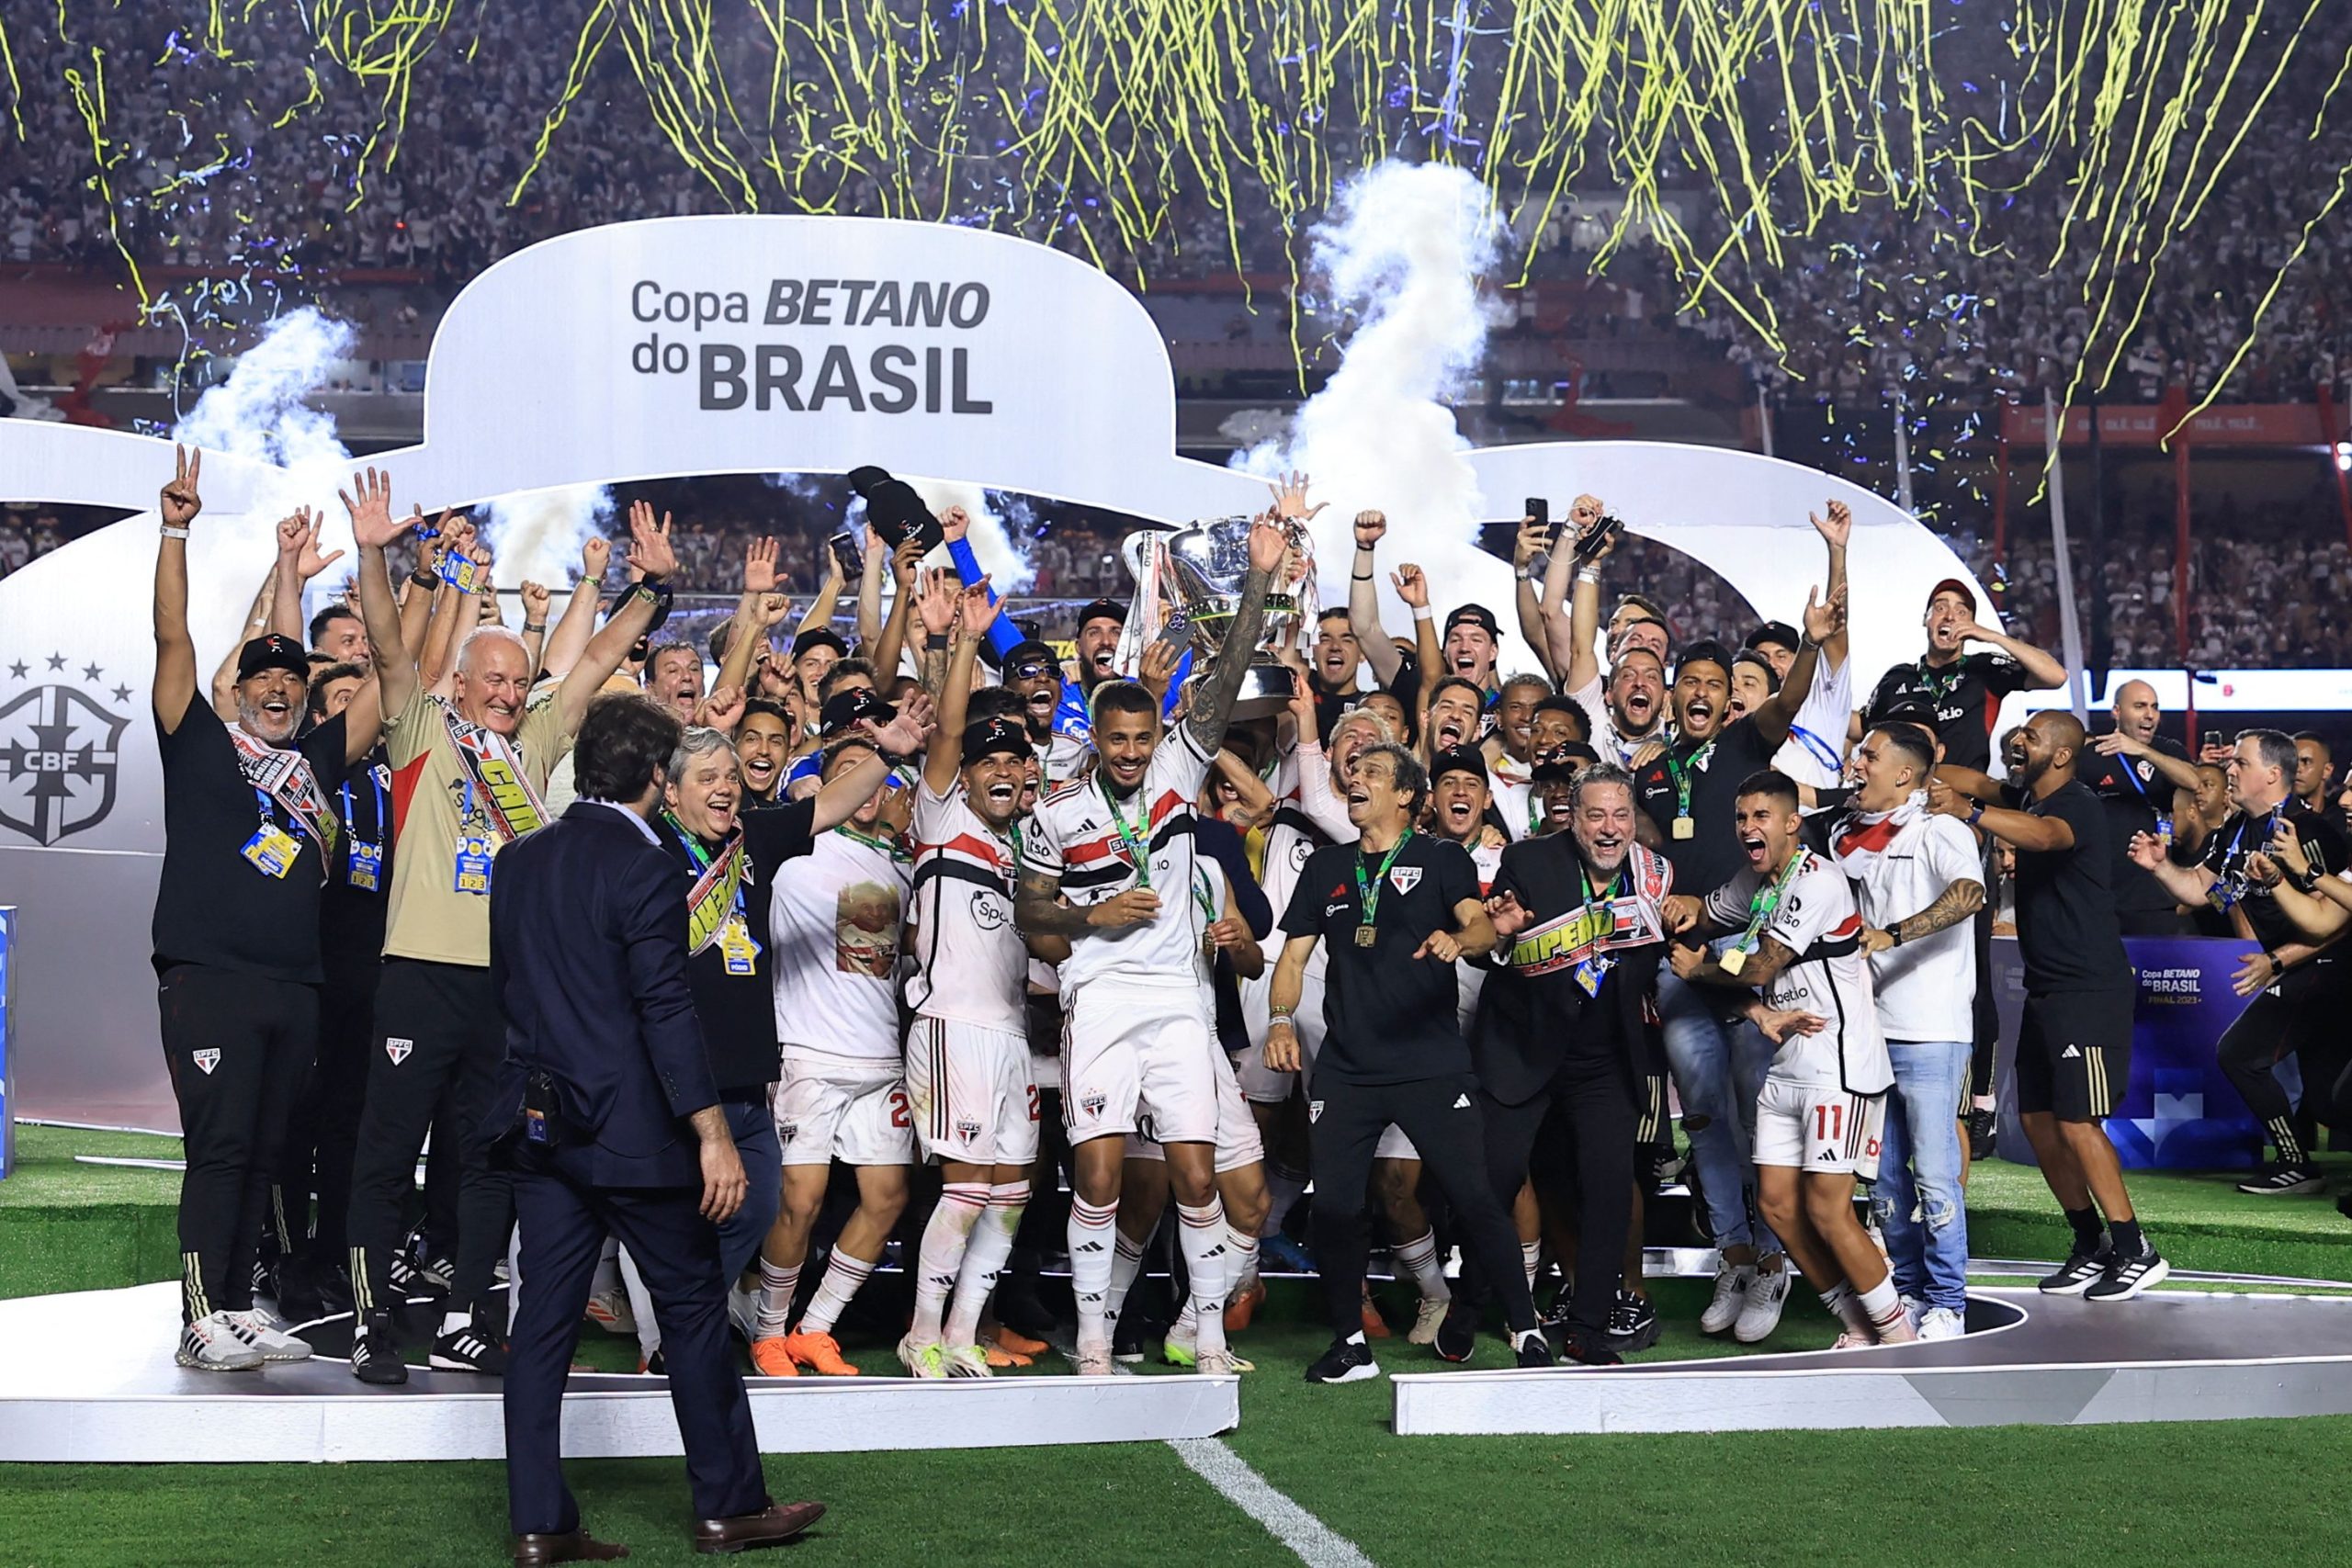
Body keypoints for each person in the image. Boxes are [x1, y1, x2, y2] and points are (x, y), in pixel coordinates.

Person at [344, 477, 677, 1384]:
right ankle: (374, 1324)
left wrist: (649, 591)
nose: (504, 691)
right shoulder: (419, 728)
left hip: (503, 986)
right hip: (420, 970)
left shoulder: (531, 742)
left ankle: (461, 1317)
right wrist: (374, 553)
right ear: (460, 680)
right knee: (387, 1152)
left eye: (517, 680)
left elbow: (601, 660)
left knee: (490, 1157)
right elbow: (383, 642)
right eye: (490, 678)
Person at [487, 692, 821, 1563]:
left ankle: (537, 1523)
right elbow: (664, 1007)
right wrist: (712, 1130)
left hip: (538, 1127)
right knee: (694, 1315)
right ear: (649, 777)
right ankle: (730, 1506)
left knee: (544, 1329)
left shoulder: (519, 860)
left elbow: (513, 995)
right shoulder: (647, 870)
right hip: (633, 1137)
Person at [1016, 503, 1291, 1376]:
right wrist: (1089, 917)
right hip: (1097, 1002)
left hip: (1176, 1003)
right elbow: (1030, 912)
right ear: (1093, 739)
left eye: (1143, 737)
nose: (1134, 752)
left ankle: (1206, 1334)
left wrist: (1258, 576)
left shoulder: (1179, 767)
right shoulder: (1058, 809)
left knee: (1197, 1179)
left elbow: (1233, 666)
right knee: (1096, 1180)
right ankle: (1095, 1336)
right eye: (1119, 739)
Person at [150, 447, 383, 1371]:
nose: (281, 686)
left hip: (297, 987)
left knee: (263, 1152)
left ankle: (238, 1304)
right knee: (222, 1149)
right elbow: (173, 639)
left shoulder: (312, 768)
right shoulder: (200, 745)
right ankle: (198, 1318)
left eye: (293, 680)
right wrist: (177, 529)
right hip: (209, 980)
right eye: (264, 679)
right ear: (235, 693)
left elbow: (393, 685)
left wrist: (346, 570)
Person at [1268, 743, 1548, 1382]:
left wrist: (1462, 937)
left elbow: (1480, 923)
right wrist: (1282, 1020)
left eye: (1371, 773)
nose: (1354, 777)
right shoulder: (1326, 867)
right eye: (1352, 770)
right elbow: (1291, 960)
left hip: (1430, 1063)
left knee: (1477, 1196)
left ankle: (1525, 1327)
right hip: (1347, 1067)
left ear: (1405, 795)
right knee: (1336, 1207)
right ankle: (1349, 1344)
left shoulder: (1440, 858)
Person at [1634, 582, 1841, 1342]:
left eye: (1715, 686)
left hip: (1748, 951)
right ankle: (1735, 1255)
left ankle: (1777, 1260)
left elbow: (1784, 707)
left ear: (1728, 704)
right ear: (1671, 694)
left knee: (1763, 1110)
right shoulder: (1651, 772)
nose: (1701, 693)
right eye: (1689, 681)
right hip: (1683, 951)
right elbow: (1647, 848)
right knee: (1705, 1113)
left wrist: (1812, 642)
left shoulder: (1746, 745)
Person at [1668, 771, 1917, 1348]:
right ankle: (1857, 1324)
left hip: (1838, 1066)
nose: (1748, 828)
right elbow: (1709, 912)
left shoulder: (1817, 881)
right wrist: (1680, 909)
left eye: (1760, 817)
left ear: (1790, 823)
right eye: (1740, 818)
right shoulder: (1754, 883)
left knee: (1828, 1210)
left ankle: (1900, 1334)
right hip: (1786, 1063)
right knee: (1777, 1207)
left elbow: (1758, 966)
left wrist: (1698, 969)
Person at [1928, 712, 2169, 1300]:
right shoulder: (2026, 797)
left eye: (2031, 736)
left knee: (2078, 1121)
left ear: (2061, 755)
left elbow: (2046, 838)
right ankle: (2090, 1243)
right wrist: (1918, 764)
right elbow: (1971, 780)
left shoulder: (2077, 802)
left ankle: (2136, 1246)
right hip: (2045, 986)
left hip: (2087, 988)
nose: (2018, 740)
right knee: (2036, 1120)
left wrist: (1973, 814)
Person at [1476, 761, 1677, 1363]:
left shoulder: (1655, 876)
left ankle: (1589, 1332)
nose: (1610, 828)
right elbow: (1494, 954)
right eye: (1596, 815)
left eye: (1621, 814)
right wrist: (1503, 935)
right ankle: (1467, 1304)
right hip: (1525, 1050)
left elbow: (1671, 948)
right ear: (1573, 817)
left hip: (1603, 1057)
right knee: (1499, 1177)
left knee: (1612, 1186)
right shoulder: (1530, 862)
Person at [899, 572, 1040, 1378]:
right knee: (967, 1184)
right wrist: (961, 643)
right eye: (990, 760)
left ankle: (962, 1331)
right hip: (952, 1025)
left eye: (1016, 763)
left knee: (1012, 1190)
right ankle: (921, 1331)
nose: (1003, 772)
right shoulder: (942, 813)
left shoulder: (1023, 840)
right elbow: (949, 728)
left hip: (1011, 1032)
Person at [747, 730, 918, 1377]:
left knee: (887, 1196)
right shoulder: (796, 851)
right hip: (809, 1053)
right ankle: (767, 1329)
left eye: (873, 773)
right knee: (801, 1199)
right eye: (850, 770)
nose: (867, 784)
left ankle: (815, 1327)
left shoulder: (898, 863)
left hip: (880, 1059)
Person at [2122, 728, 2348, 1194]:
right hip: (2293, 969)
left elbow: (2340, 921)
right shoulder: (2234, 830)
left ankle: (2294, 1162)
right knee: (2329, 1100)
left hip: (2323, 967)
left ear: (2272, 774)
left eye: (2240, 763)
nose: (2229, 769)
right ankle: (2302, 1162)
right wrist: (2161, 867)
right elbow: (2202, 890)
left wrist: (2280, 961)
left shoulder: (2310, 832)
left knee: (2241, 1054)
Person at [1828, 727, 1983, 1339]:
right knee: (1886, 1179)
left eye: (1869, 755)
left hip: (1931, 1029)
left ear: (1904, 775)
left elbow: (1970, 893)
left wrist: (1892, 934)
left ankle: (1950, 1300)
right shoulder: (1859, 840)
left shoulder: (1939, 829)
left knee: (1935, 1172)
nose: (1857, 763)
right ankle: (1913, 1291)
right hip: (1876, 1028)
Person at [1860, 579, 2065, 772]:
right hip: (1901, 798)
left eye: (1961, 612)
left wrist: (1995, 637)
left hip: (1962, 799)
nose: (1950, 616)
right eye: (1940, 608)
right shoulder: (1898, 677)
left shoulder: (1985, 668)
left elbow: (2056, 677)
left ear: (1972, 625)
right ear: (1926, 619)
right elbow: (1861, 726)